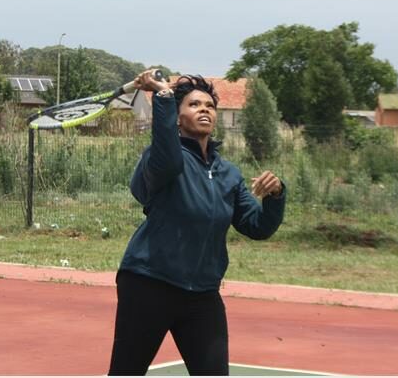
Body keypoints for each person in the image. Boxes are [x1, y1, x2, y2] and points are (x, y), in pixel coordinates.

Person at [108, 71, 286, 376]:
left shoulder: (228, 174)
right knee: (126, 372)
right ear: (177, 118)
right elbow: (168, 157)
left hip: (202, 295)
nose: (204, 109)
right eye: (193, 104)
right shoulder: (162, 160)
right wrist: (163, 96)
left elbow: (257, 226)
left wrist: (276, 195)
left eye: (209, 105)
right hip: (150, 284)